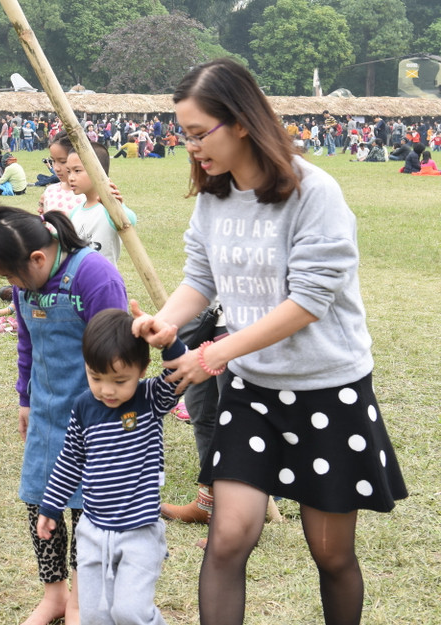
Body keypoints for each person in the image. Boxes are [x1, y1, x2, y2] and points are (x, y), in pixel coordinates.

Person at [133, 58, 407, 625]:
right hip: (253, 391)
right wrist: (167, 321)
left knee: (331, 554)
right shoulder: (215, 198)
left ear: (238, 122)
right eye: (182, 135)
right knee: (228, 538)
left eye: (195, 133)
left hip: (328, 391)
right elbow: (199, 279)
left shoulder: (315, 193)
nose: (189, 147)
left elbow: (308, 303)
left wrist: (216, 353)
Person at [0, 204, 128, 625]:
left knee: (88, 511)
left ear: (38, 259)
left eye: (11, 277)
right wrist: (25, 397)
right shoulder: (31, 283)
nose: (13, 286)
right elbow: (26, 341)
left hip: (95, 417)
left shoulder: (94, 276)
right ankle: (54, 595)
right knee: (40, 501)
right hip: (46, 412)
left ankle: (82, 602)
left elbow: (119, 356)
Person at [38, 309, 186, 624]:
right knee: (95, 616)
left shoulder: (149, 398)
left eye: (120, 381)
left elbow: (179, 375)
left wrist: (169, 342)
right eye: (96, 377)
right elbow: (70, 459)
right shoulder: (84, 408)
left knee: (130, 612)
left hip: (139, 531)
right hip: (92, 532)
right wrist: (50, 506)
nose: (107, 390)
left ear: (142, 369)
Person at [64, 141, 136, 264]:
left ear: (98, 171)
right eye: (68, 171)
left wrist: (118, 205)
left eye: (77, 171)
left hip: (103, 280)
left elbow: (130, 221)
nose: (70, 177)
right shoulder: (75, 212)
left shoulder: (108, 209)